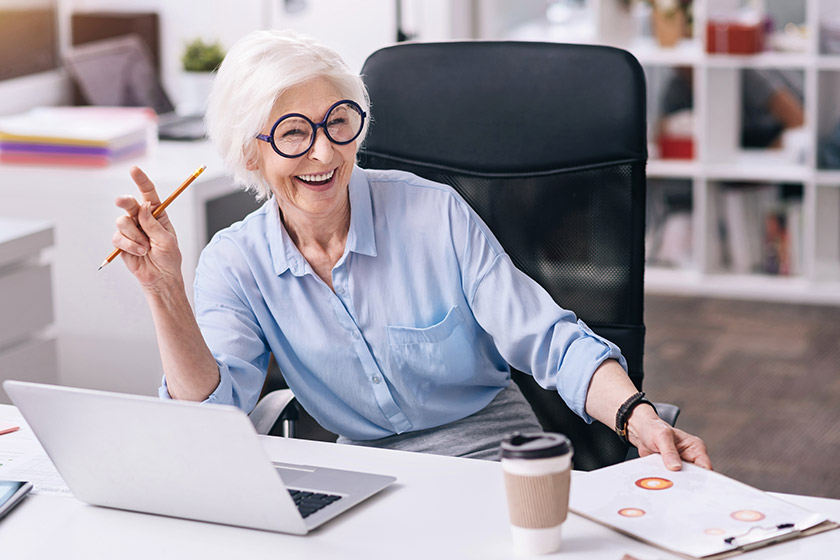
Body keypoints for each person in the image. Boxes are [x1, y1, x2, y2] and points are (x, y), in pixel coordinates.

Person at [111, 29, 711, 470]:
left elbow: (546, 336)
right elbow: (211, 417)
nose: (323, 153)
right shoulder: (235, 263)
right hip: (364, 470)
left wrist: (636, 414)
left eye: (337, 121)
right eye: (293, 132)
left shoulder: (433, 213)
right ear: (251, 154)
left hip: (489, 449)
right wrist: (164, 292)